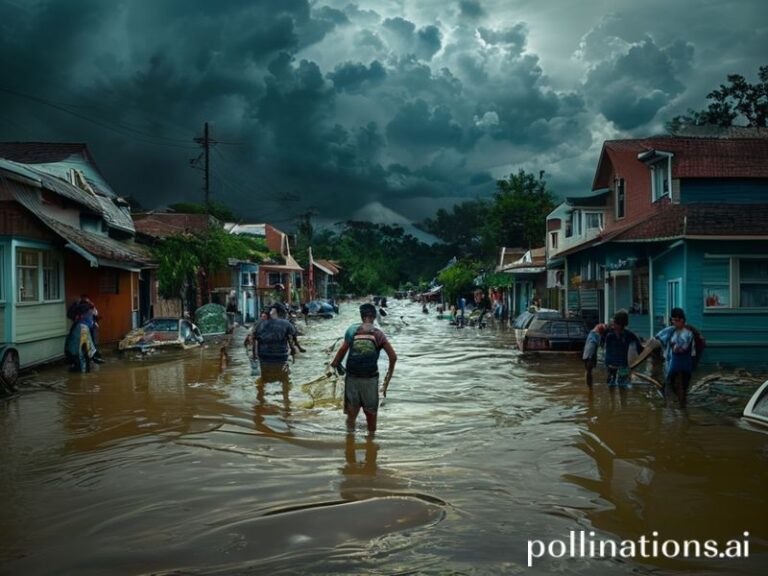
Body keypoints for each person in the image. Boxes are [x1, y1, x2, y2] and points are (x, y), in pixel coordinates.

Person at [330, 303, 397, 435]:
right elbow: (393, 357)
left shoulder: (352, 331)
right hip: (370, 380)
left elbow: (342, 351)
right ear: (374, 317)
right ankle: (371, 444)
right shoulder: (378, 334)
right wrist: (386, 381)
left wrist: (335, 364)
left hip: (352, 379)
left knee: (351, 417)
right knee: (371, 418)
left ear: (362, 317)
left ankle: (349, 442)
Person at [654, 307, 696, 408]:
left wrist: (674, 346)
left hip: (683, 363)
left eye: (675, 320)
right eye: (672, 320)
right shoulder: (672, 331)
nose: (673, 323)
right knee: (672, 384)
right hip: (675, 363)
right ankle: (677, 405)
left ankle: (681, 406)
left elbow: (683, 349)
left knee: (681, 386)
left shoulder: (687, 333)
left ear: (681, 320)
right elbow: (660, 338)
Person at [252, 304, 298, 385]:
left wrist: (254, 356)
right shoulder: (286, 323)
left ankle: (260, 396)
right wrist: (293, 351)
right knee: (285, 380)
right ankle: (286, 396)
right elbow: (292, 338)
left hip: (264, 356)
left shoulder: (259, 324)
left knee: (264, 379)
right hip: (281, 356)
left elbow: (254, 340)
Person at [603, 310, 643, 389]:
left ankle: (623, 401)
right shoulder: (609, 334)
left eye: (616, 323)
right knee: (611, 385)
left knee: (623, 386)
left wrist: (636, 363)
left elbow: (639, 347)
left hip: (623, 364)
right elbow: (607, 351)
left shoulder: (628, 334)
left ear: (621, 325)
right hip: (611, 364)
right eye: (614, 323)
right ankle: (612, 401)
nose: (613, 325)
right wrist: (609, 364)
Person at [582, 323, 607, 387]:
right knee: (588, 371)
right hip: (589, 354)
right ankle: (589, 388)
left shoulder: (594, 335)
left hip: (589, 353)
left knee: (588, 371)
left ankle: (589, 388)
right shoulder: (595, 335)